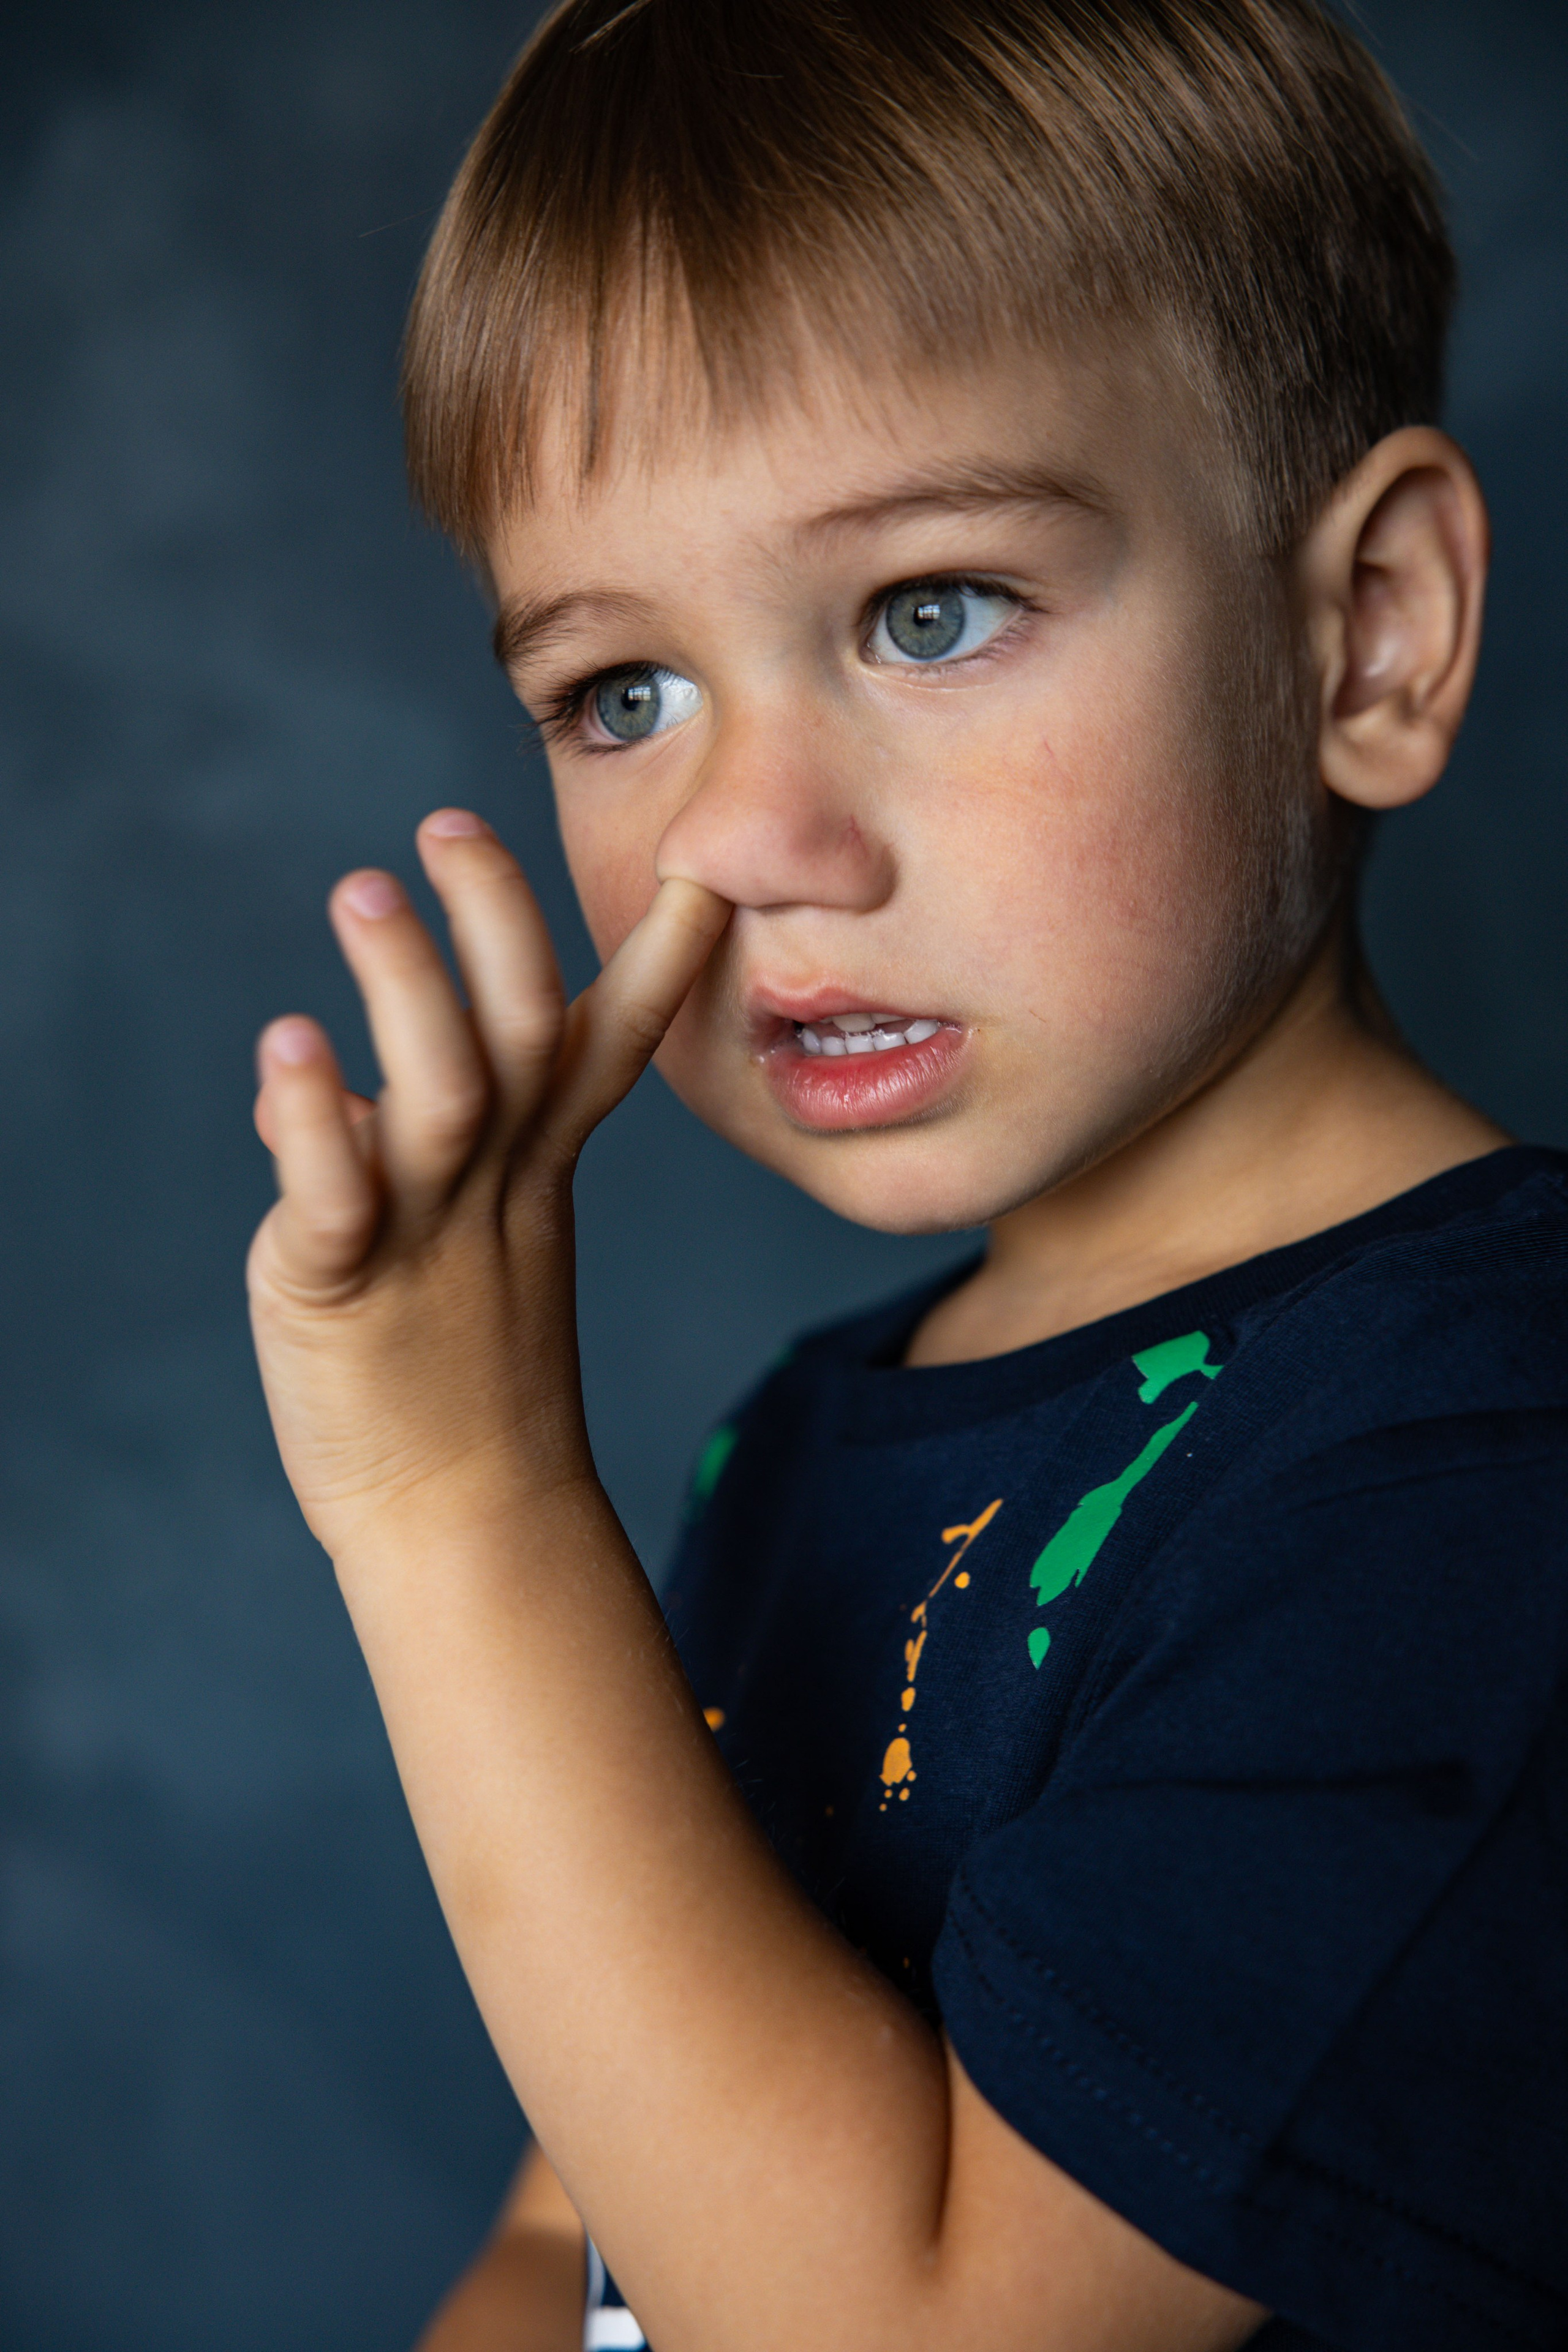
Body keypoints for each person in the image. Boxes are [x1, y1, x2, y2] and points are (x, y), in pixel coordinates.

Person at [246, 1, 1568, 2346]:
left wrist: (455, 1505)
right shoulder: (823, 1426)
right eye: (618, 695)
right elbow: (586, 2226)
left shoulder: (1475, 1457)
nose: (746, 839)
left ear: (1366, 629)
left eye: (928, 611)